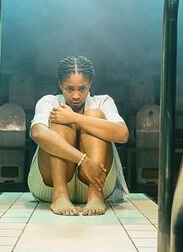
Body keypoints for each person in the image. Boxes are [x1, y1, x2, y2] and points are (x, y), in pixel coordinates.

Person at [27, 55, 130, 216]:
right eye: (69, 89)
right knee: (59, 118)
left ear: (90, 84)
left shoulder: (103, 101)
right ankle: (60, 195)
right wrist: (83, 160)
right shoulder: (49, 101)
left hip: (98, 181)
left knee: (94, 115)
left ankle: (95, 195)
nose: (76, 96)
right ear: (60, 84)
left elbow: (123, 134)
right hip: (50, 185)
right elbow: (37, 132)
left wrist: (75, 118)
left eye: (82, 89)